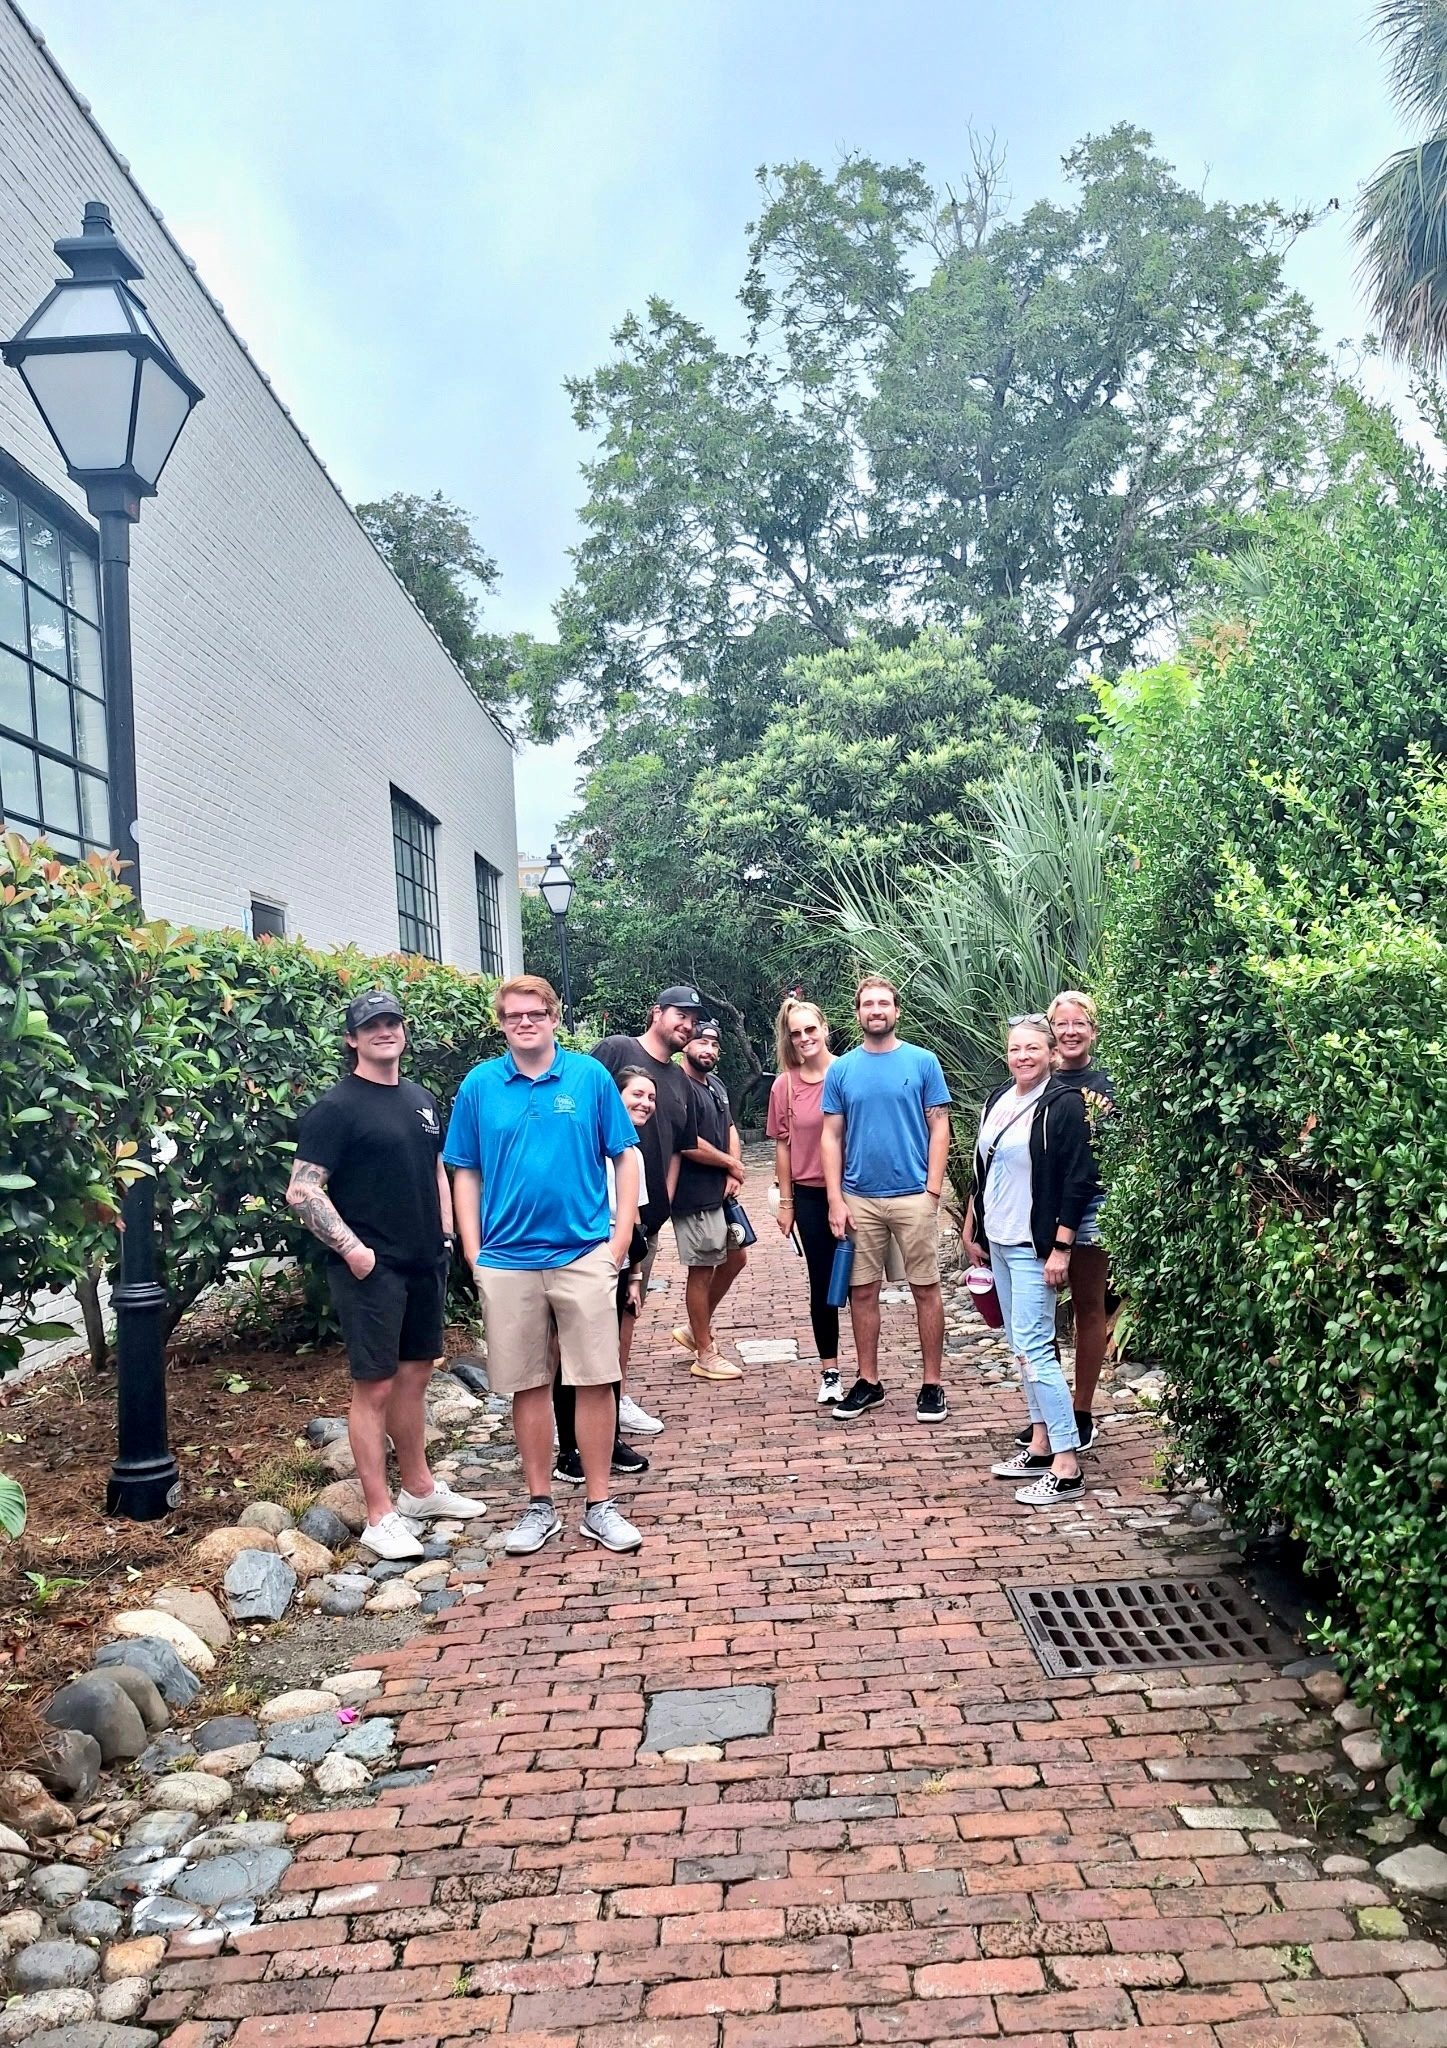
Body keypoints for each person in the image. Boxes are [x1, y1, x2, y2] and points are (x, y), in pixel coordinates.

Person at [445, 974, 644, 1557]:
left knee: (596, 1379)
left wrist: (619, 1240)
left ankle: (599, 1505)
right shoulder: (480, 1085)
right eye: (513, 1015)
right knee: (526, 1384)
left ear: (554, 1017)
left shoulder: (589, 1077)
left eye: (535, 1013)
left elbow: (625, 1155)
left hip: (583, 1253)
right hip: (507, 1260)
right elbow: (465, 1169)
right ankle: (539, 1506)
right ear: (501, 1023)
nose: (525, 1023)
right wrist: (472, 1249)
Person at [286, 989, 487, 1562]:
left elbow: (436, 1170)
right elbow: (303, 1190)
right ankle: (379, 1515)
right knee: (373, 1385)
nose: (384, 1031)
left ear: (403, 1030)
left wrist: (446, 1235)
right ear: (352, 1038)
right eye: (371, 1025)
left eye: (392, 1022)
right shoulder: (335, 1108)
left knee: (415, 1375)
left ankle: (419, 1490)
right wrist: (355, 1252)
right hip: (371, 1269)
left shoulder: (420, 1099)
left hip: (425, 1260)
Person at [961, 1012, 1095, 1506]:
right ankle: (1040, 1443)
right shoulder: (999, 1099)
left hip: (1033, 1245)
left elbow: (1078, 1180)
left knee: (1037, 1349)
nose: (1023, 1057)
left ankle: (1067, 1465)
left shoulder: (1064, 1104)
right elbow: (984, 1167)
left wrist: (1061, 1247)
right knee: (1020, 1345)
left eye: (1033, 1048)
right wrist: (975, 1226)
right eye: (1016, 1048)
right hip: (999, 1238)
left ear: (1052, 1054)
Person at [820, 975, 953, 1424]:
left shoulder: (923, 1062)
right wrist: (835, 1199)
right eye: (868, 1004)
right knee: (862, 1292)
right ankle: (869, 1381)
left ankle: (932, 1384)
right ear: (857, 1013)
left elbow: (939, 1126)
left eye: (883, 1003)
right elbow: (830, 1136)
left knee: (926, 1288)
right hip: (859, 1198)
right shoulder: (841, 1070)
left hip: (914, 1195)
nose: (876, 1010)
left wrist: (932, 1190)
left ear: (896, 1010)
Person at [590, 985, 704, 1429]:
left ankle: (616, 1399)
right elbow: (580, 1109)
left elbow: (679, 1147)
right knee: (578, 1316)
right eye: (680, 1014)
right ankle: (566, 1411)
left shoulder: (680, 1081)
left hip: (645, 1222)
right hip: (593, 1217)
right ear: (656, 1012)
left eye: (693, 1020)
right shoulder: (618, 1050)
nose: (687, 1025)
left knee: (626, 1309)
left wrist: (664, 1203)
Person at [553, 1065, 657, 1484]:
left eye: (651, 1097)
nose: (645, 1104)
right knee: (568, 1356)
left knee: (606, 1357)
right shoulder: (581, 1141)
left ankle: (609, 1440)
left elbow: (635, 1220)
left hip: (615, 1263)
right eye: (636, 1095)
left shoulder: (633, 1154)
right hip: (576, 1255)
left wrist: (634, 1277)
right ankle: (568, 1449)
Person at [767, 996, 843, 1406]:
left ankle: (869, 1374)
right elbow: (783, 1145)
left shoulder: (847, 1072)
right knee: (823, 1283)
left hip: (854, 1191)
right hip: (811, 1192)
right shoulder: (785, 1085)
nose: (804, 1038)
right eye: (796, 1033)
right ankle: (830, 1370)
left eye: (810, 1029)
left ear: (824, 1028)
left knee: (861, 1284)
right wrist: (787, 1201)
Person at [669, 1020, 748, 1381]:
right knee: (701, 1269)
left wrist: (733, 1170)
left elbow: (729, 1127)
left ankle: (693, 1327)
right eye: (702, 1041)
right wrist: (729, 1163)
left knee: (736, 1257)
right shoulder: (677, 1085)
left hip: (720, 1192)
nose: (709, 1049)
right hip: (693, 1194)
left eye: (715, 1044)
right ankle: (705, 1352)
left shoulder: (715, 1085)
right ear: (686, 1044)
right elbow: (687, 1143)